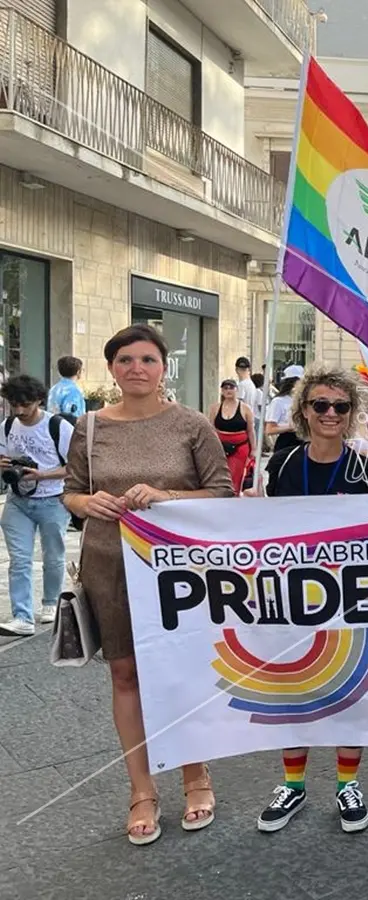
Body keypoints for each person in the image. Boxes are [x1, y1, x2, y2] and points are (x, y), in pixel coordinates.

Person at [61, 324, 233, 845]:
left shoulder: (191, 424)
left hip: (177, 567)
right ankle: (141, 790)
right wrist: (87, 504)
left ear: (164, 368)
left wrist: (164, 495)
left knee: (179, 670)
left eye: (148, 359)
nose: (137, 368)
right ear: (111, 368)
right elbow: (71, 493)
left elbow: (222, 493)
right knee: (125, 674)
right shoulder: (89, 427)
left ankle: (194, 775)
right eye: (126, 360)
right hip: (109, 562)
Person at [254, 367, 368, 835]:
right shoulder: (281, 463)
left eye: (341, 406)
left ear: (352, 413)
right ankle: (293, 785)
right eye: (320, 405)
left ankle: (346, 784)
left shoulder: (365, 468)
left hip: (346, 599)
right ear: (303, 411)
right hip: (293, 596)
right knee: (292, 690)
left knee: (347, 693)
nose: (331, 414)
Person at [0, 375, 74, 636]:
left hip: (52, 499)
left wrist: (43, 474)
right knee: (19, 560)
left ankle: (51, 603)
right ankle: (22, 616)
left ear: (39, 400)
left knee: (53, 556)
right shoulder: (8, 425)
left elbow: (76, 466)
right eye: (14, 404)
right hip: (17, 500)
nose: (20, 411)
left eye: (26, 405)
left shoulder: (58, 426)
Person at [208, 379, 255, 496]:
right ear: (222, 391)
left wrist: (254, 449)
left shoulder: (245, 408)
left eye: (231, 388)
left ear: (237, 390)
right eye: (225, 388)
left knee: (235, 476)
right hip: (220, 446)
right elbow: (211, 429)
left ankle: (233, 497)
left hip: (240, 446)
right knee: (220, 475)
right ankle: (222, 496)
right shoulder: (215, 408)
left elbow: (251, 430)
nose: (228, 390)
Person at [264, 365, 304, 454]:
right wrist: (291, 427)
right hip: (287, 442)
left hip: (304, 441)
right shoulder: (279, 401)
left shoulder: (303, 400)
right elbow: (270, 429)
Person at [47, 356, 86, 423]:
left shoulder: (54, 389)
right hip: (68, 429)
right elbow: (73, 416)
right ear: (78, 372)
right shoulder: (74, 391)